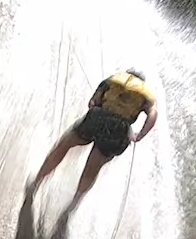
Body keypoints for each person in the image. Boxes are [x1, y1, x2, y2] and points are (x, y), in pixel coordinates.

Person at [27, 68, 158, 208]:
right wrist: (140, 134)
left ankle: (36, 183)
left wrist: (96, 106)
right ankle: (73, 205)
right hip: (118, 131)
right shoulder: (145, 95)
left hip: (96, 119)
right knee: (92, 167)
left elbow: (92, 102)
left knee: (64, 145)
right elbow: (153, 114)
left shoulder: (112, 80)